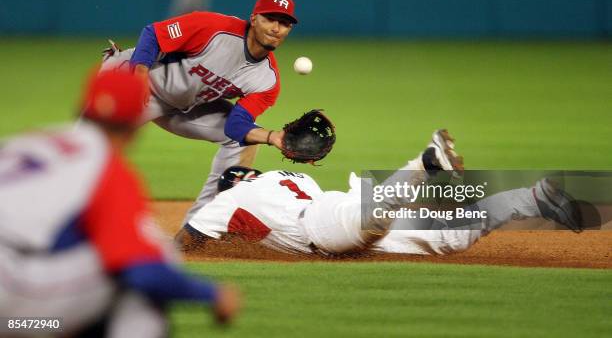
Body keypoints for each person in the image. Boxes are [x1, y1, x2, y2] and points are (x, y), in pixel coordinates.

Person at [0, 70, 240, 337]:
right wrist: (211, 294)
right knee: (150, 261)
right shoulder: (105, 167)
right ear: (136, 124)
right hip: (9, 295)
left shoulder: (29, 141)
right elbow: (143, 272)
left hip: (17, 291)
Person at [175, 130, 583, 257]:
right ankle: (530, 198)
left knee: (371, 218)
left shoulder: (229, 201)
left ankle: (423, 163)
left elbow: (186, 242)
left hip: (326, 225)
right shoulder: (284, 179)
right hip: (338, 206)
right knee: (451, 238)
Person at [101, 0, 298, 224]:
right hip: (134, 79)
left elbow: (236, 127)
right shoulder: (214, 27)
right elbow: (153, 33)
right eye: (269, 19)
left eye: (284, 23)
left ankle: (201, 225)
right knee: (92, 149)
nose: (276, 28)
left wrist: (272, 136)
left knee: (243, 140)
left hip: (182, 105)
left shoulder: (267, 81)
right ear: (254, 18)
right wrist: (139, 74)